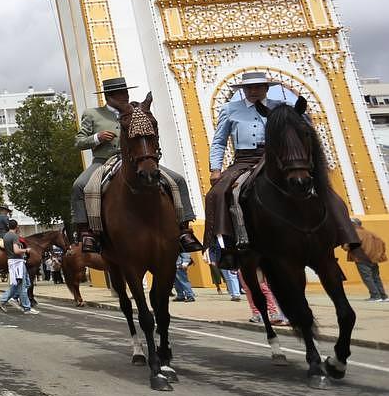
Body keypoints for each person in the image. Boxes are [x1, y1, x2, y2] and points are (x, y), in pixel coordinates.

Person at [204, 71, 362, 268]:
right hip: (245, 159)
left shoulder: (282, 107)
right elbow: (219, 141)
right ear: (243, 90)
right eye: (248, 88)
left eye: (258, 87)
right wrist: (215, 168)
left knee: (323, 188)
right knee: (217, 194)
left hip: (279, 158)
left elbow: (304, 132)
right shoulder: (229, 109)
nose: (253, 91)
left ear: (266, 88)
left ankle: (349, 235)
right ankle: (227, 248)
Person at [69, 77, 203, 255]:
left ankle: (184, 229)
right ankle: (87, 232)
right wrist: (97, 138)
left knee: (178, 179)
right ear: (109, 97)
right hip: (104, 161)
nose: (124, 96)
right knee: (79, 185)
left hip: (136, 160)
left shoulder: (138, 112)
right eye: (118, 93)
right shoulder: (93, 114)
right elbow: (78, 142)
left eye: (125, 92)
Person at [0, 217, 38, 314]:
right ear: (17, 226)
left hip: (12, 261)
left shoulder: (6, 236)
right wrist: (26, 250)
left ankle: (5, 299)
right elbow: (16, 250)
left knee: (24, 283)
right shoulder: (14, 236)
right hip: (17, 263)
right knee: (22, 285)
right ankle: (27, 308)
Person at [352, 218, 387, 302]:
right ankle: (383, 296)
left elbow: (350, 245)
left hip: (362, 259)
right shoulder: (370, 233)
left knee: (367, 278)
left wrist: (345, 246)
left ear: (354, 224)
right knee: (376, 277)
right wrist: (378, 255)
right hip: (373, 259)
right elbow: (382, 243)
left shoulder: (355, 233)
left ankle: (375, 296)